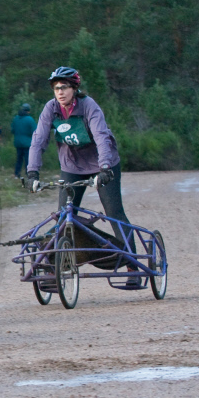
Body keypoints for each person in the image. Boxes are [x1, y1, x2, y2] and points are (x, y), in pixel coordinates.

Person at [26, 66, 140, 286]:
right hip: (72, 166)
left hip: (102, 165)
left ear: (74, 88)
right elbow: (38, 140)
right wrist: (32, 172)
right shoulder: (51, 109)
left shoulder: (89, 106)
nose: (60, 92)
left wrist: (105, 168)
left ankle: (132, 266)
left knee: (114, 213)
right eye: (56, 88)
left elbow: (101, 137)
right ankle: (52, 270)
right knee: (63, 217)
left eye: (65, 87)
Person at [11, 103, 37, 178]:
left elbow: (12, 130)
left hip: (17, 143)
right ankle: (28, 173)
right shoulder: (30, 119)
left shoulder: (16, 118)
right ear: (28, 111)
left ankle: (17, 173)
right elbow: (35, 131)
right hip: (27, 143)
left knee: (19, 159)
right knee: (27, 159)